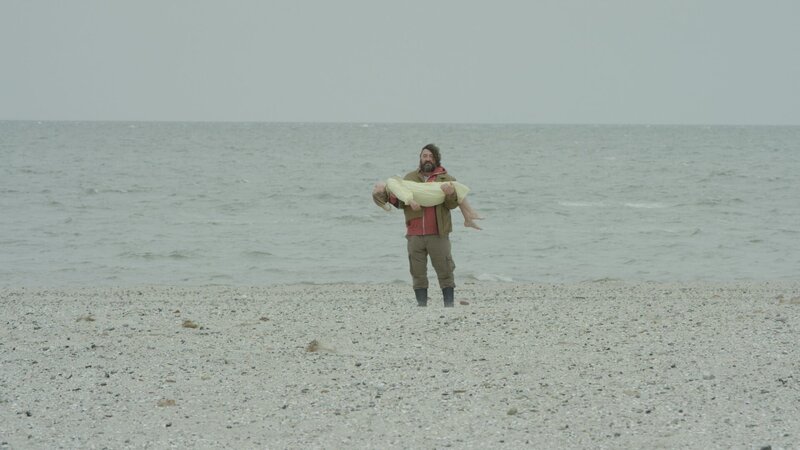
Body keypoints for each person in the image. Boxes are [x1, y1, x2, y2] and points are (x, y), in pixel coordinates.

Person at [372, 143, 476, 307]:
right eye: (424, 156)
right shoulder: (409, 178)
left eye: (431, 157)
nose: (427, 159)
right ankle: (422, 305)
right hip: (414, 233)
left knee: (445, 269)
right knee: (417, 271)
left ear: (436, 159)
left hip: (438, 233)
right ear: (420, 159)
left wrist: (450, 195)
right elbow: (400, 202)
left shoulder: (446, 179)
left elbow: (452, 205)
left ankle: (448, 304)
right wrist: (383, 194)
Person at [377, 177, 483, 230]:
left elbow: (401, 192)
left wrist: (410, 200)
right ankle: (471, 214)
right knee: (454, 185)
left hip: (424, 194)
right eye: (375, 188)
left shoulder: (392, 190)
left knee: (455, 187)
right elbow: (403, 193)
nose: (376, 185)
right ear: (381, 191)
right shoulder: (390, 183)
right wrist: (410, 200)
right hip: (425, 194)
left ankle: (468, 219)